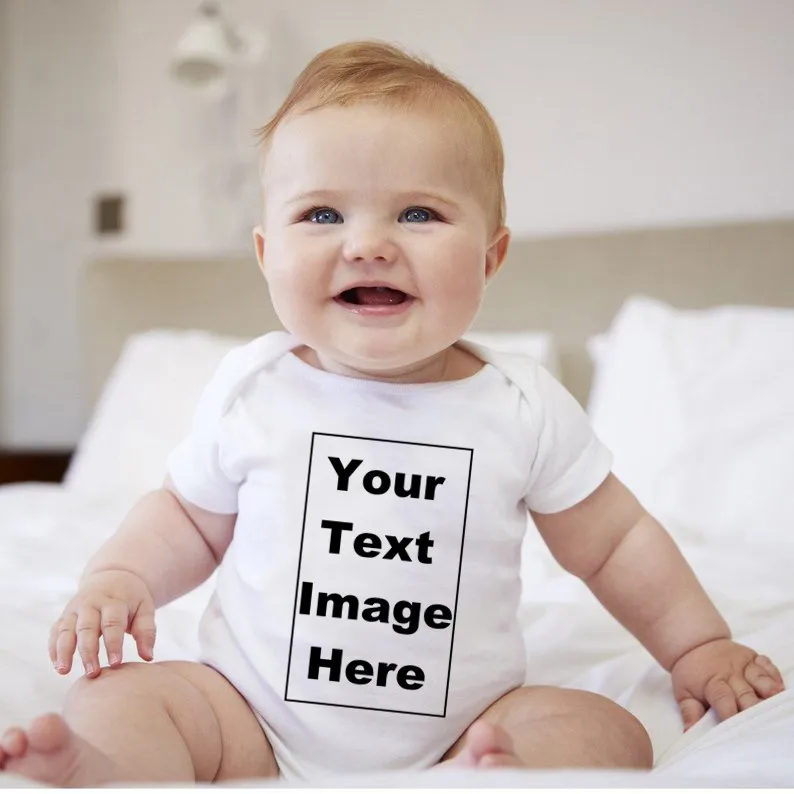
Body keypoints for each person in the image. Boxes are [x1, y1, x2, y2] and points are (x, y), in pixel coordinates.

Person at [0, 40, 785, 786]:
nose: (368, 244)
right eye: (322, 215)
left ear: (491, 255)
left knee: (608, 731)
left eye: (417, 214)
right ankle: (105, 770)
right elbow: (188, 517)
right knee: (129, 696)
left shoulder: (519, 405)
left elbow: (614, 545)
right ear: (267, 252)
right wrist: (120, 576)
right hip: (248, 720)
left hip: (465, 725)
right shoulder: (254, 389)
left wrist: (698, 645)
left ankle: (481, 777)